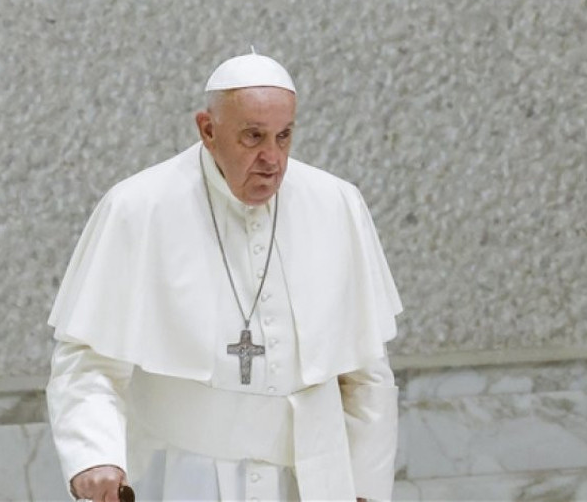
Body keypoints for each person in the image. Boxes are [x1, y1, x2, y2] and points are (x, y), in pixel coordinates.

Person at [46, 50, 402, 502]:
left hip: (313, 482)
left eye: (284, 136)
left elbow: (366, 372)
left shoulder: (337, 204)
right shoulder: (139, 208)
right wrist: (94, 455)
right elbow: (88, 359)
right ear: (208, 130)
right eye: (253, 137)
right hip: (182, 477)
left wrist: (367, 490)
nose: (272, 158)